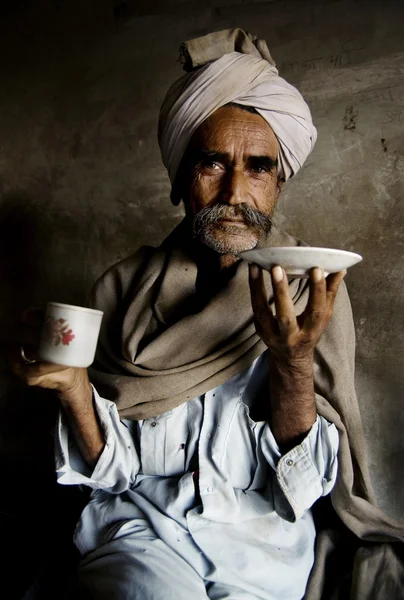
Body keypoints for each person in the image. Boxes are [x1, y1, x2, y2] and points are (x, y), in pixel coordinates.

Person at [12, 29, 404, 600]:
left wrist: (291, 360)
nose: (235, 192)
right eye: (212, 165)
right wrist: (73, 388)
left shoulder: (308, 290)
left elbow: (302, 489)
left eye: (259, 168)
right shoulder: (122, 289)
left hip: (261, 551)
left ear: (280, 182)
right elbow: (113, 473)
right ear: (179, 179)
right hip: (140, 533)